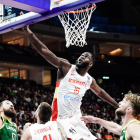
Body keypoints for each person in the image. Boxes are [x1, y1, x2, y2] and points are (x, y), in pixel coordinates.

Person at [21, 12, 118, 140]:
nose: (81, 56)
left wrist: (117, 105)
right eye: (81, 55)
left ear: (90, 64)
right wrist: (27, 31)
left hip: (77, 119)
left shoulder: (89, 80)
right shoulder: (66, 67)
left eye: (85, 56)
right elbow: (44, 51)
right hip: (61, 120)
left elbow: (100, 93)